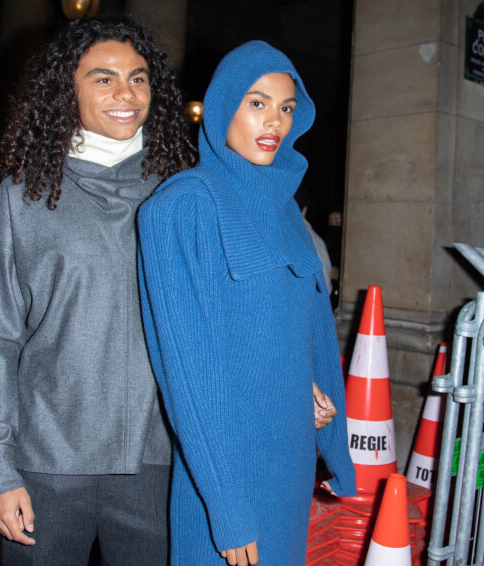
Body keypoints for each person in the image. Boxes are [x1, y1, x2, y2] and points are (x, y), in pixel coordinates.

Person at [0, 17, 196, 565]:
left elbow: (223, 317)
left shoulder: (182, 193)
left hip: (157, 462)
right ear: (66, 87)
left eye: (138, 78)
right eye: (103, 78)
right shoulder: (23, 199)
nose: (126, 94)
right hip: (44, 466)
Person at [137, 40, 356, 566]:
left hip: (291, 457)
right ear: (222, 106)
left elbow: (308, 330)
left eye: (285, 108)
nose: (274, 122)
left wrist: (316, 398)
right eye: (257, 103)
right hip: (227, 469)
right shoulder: (182, 205)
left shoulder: (286, 213)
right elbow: (189, 373)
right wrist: (228, 507)